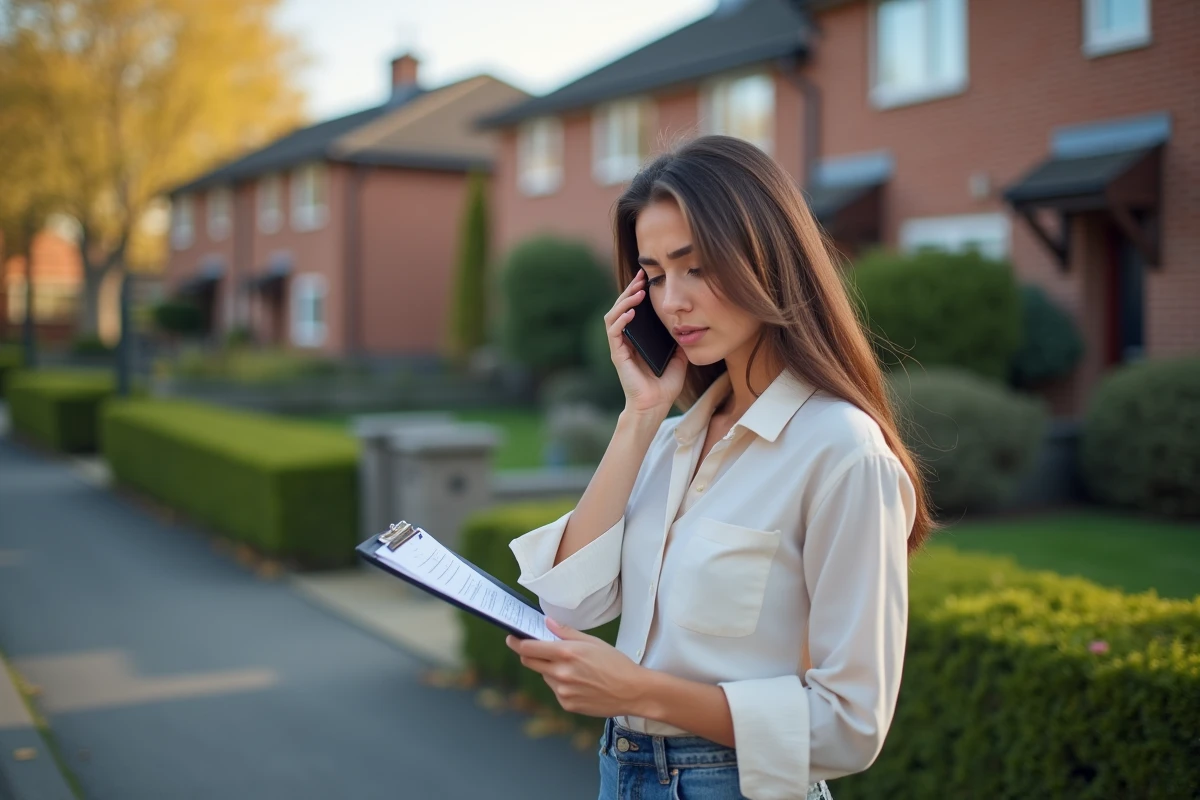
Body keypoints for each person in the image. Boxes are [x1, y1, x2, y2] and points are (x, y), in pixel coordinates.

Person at [504, 135, 934, 800]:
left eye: (696, 267)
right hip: (622, 772)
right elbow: (569, 603)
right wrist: (639, 415)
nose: (672, 301)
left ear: (768, 261)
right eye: (654, 275)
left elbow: (851, 727)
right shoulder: (669, 439)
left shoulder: (842, 450)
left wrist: (640, 691)